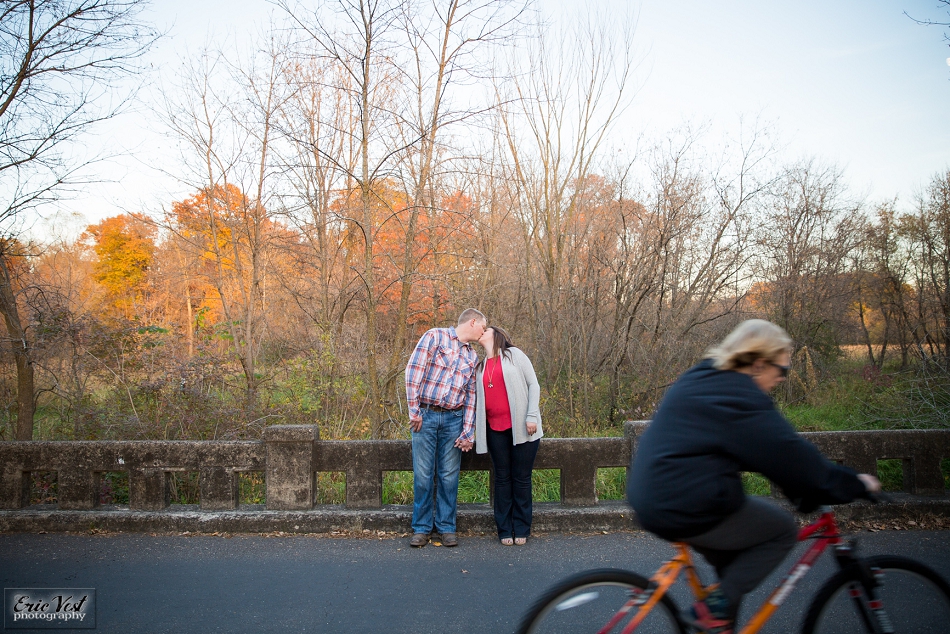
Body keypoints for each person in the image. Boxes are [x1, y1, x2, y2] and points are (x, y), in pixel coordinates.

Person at [627, 319, 881, 633]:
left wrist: (799, 487)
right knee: (781, 530)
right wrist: (854, 482)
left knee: (733, 573)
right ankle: (712, 610)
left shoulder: (705, 375)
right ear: (759, 364)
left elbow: (761, 452)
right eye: (782, 369)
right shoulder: (740, 397)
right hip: (687, 503)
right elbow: (790, 455)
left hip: (652, 493)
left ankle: (718, 614)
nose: (783, 378)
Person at [405, 308, 486, 548]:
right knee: (423, 475)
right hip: (426, 416)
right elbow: (413, 372)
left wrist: (468, 431)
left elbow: (471, 396)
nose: (483, 332)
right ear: (472, 322)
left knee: (449, 476)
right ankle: (421, 528)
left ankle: (446, 527)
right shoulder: (434, 337)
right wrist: (414, 411)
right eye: (483, 327)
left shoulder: (472, 357)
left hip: (454, 418)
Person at [474, 326, 543, 546]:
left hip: (523, 427)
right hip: (495, 429)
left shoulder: (514, 355)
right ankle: (504, 529)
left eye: (486, 329)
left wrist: (531, 416)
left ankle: (521, 527)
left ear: (497, 335)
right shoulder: (480, 366)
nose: (481, 332)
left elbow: (533, 385)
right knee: (502, 479)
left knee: (521, 479)